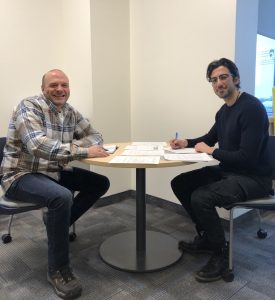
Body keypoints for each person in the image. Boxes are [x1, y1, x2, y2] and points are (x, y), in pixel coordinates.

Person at [0, 69, 110, 299]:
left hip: (54, 171)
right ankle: (58, 270)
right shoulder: (28, 106)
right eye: (54, 85)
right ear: (43, 89)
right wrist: (82, 150)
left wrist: (81, 145)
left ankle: (59, 223)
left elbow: (96, 135)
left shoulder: (69, 111)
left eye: (65, 85)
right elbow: (38, 146)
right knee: (62, 197)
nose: (60, 89)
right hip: (21, 175)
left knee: (100, 183)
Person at [170, 58, 272, 283]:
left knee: (201, 197)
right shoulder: (224, 111)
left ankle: (220, 253)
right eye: (213, 80)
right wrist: (185, 142)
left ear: (236, 79)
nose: (218, 83)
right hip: (230, 171)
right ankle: (208, 238)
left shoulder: (252, 108)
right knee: (180, 183)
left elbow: (247, 157)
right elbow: (208, 139)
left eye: (223, 77)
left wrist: (212, 151)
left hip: (254, 177)